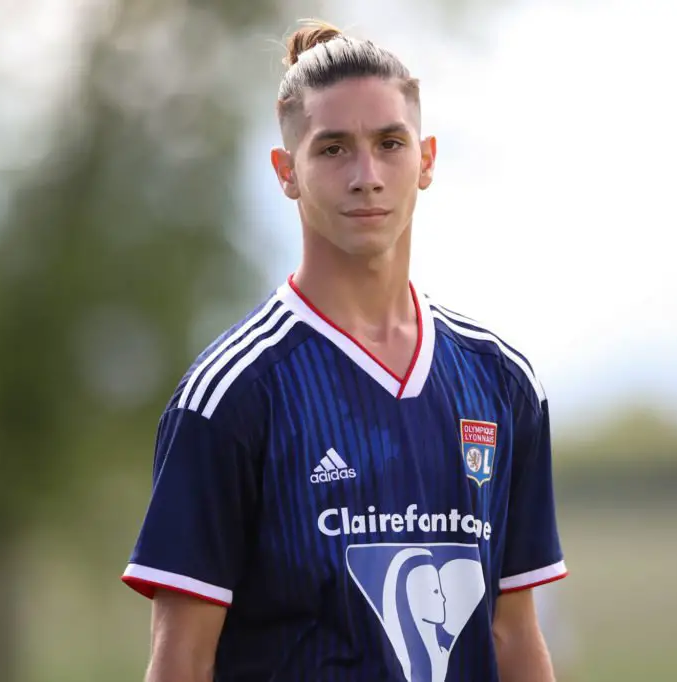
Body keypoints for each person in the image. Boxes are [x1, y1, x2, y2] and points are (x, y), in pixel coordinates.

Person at [121, 19, 567, 682]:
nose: (366, 176)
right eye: (333, 149)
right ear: (286, 172)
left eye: (390, 143)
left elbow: (514, 636)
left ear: (426, 160)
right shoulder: (233, 395)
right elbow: (181, 660)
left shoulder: (501, 383)